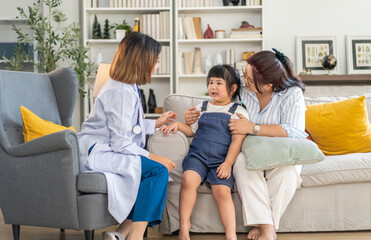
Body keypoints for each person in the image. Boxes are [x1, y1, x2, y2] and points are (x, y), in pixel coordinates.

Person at [184, 49, 307, 240]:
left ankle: (266, 227)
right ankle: (267, 227)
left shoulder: (292, 94)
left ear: (268, 86)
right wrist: (191, 116)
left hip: (283, 149)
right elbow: (219, 95)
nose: (244, 82)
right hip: (251, 148)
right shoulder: (243, 87)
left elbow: (294, 131)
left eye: (250, 80)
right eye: (245, 76)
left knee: (287, 174)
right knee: (242, 165)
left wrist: (253, 127)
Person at [78, 32, 177, 240]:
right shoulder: (121, 91)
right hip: (100, 152)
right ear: (142, 62)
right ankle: (135, 236)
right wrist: (154, 157)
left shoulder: (127, 86)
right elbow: (121, 142)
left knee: (156, 174)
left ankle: (120, 234)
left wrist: (154, 123)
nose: (157, 66)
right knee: (158, 171)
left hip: (108, 146)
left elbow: (125, 127)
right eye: (156, 62)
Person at [161, 65, 249, 240]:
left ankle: (231, 234)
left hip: (221, 160)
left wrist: (228, 164)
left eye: (219, 83)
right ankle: (184, 225)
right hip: (198, 156)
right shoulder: (202, 107)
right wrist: (178, 125)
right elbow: (191, 131)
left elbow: (237, 141)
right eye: (210, 82)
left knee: (222, 191)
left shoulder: (238, 111)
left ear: (233, 88)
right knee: (188, 180)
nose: (213, 87)